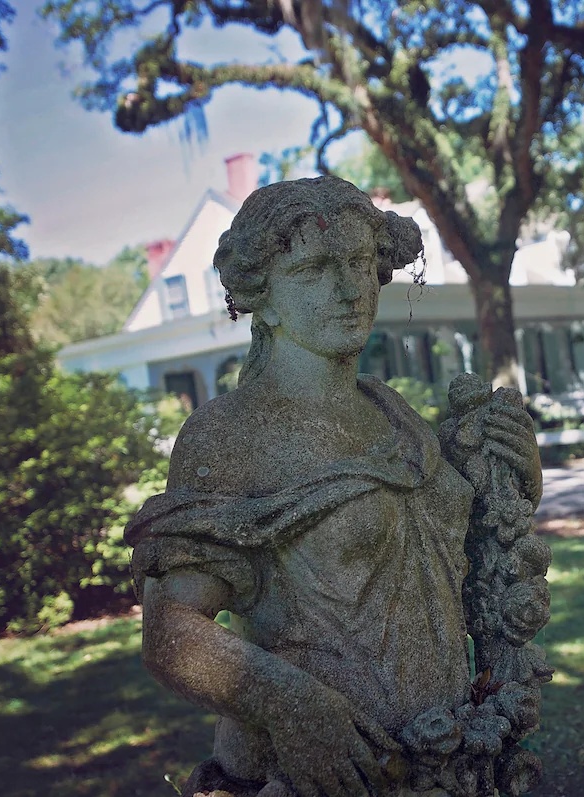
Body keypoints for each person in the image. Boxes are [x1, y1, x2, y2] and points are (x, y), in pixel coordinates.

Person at [126, 177, 543, 797]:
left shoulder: (392, 412)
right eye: (315, 269)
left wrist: (515, 474)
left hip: (454, 756)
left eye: (358, 263)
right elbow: (170, 633)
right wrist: (293, 708)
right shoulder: (229, 436)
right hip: (332, 771)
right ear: (260, 294)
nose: (350, 290)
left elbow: (466, 561)